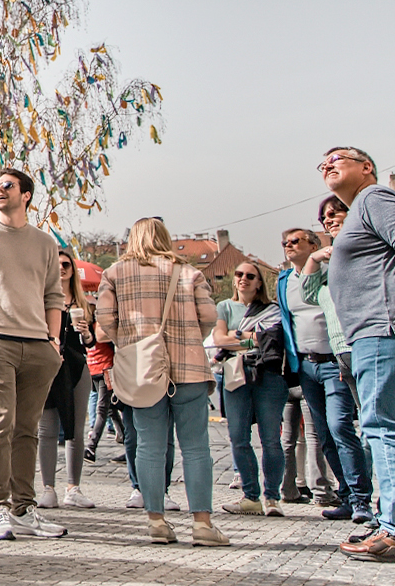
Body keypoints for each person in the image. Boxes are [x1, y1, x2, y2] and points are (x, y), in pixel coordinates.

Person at [96, 218, 228, 546]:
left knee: (149, 446)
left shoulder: (114, 273)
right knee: (196, 446)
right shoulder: (188, 272)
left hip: (142, 370)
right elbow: (209, 317)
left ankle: (156, 520)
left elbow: (104, 319)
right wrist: (190, 339)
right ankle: (202, 524)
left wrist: (129, 342)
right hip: (190, 368)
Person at [0, 167, 68, 542]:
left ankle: (25, 507)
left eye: (8, 185)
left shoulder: (45, 243)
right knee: (1, 421)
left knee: (27, 429)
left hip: (38, 345)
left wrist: (53, 341)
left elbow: (55, 295)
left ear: (27, 195)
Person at [318, 146, 395, 562]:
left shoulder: (374, 198)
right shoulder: (361, 209)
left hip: (385, 327)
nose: (327, 165)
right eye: (322, 164)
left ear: (366, 167)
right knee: (389, 428)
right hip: (375, 333)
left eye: (337, 158)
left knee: (386, 427)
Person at [279, 227, 372, 522]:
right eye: (285, 243)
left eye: (296, 241)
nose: (289, 246)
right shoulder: (284, 281)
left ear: (315, 245)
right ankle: (346, 495)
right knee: (325, 434)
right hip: (307, 366)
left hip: (335, 361)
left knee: (341, 426)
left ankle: (361, 500)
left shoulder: (332, 273)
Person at [213, 260, 287, 516]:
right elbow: (218, 339)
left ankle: (273, 498)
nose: (243, 278)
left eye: (250, 275)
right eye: (239, 274)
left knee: (271, 439)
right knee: (238, 437)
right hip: (235, 374)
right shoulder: (224, 306)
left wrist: (238, 337)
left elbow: (273, 341)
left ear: (259, 283)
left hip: (268, 374)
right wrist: (252, 338)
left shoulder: (273, 309)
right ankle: (251, 496)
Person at [35, 251, 95, 510]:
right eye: (56, 264)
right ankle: (48, 488)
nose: (61, 268)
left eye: (66, 264)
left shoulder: (83, 303)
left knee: (75, 431)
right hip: (49, 367)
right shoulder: (42, 298)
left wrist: (86, 333)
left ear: (73, 270)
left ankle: (73, 487)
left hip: (77, 367)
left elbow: (91, 343)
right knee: (47, 430)